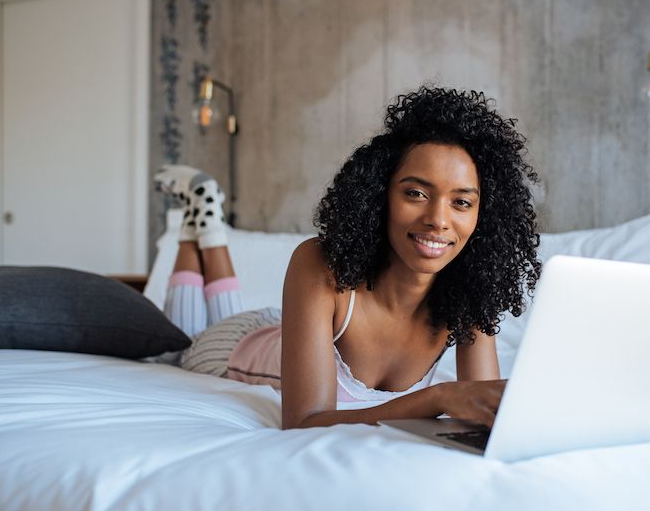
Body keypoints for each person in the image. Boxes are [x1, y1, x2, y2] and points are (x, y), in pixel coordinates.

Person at [155, 87, 541, 431]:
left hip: (287, 325)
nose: (439, 220)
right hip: (233, 347)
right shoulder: (321, 263)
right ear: (381, 196)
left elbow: (482, 408)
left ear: (482, 215)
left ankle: (202, 221)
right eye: (416, 194)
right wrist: (438, 397)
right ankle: (197, 228)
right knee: (178, 344)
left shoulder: (469, 294)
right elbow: (304, 420)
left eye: (461, 202)